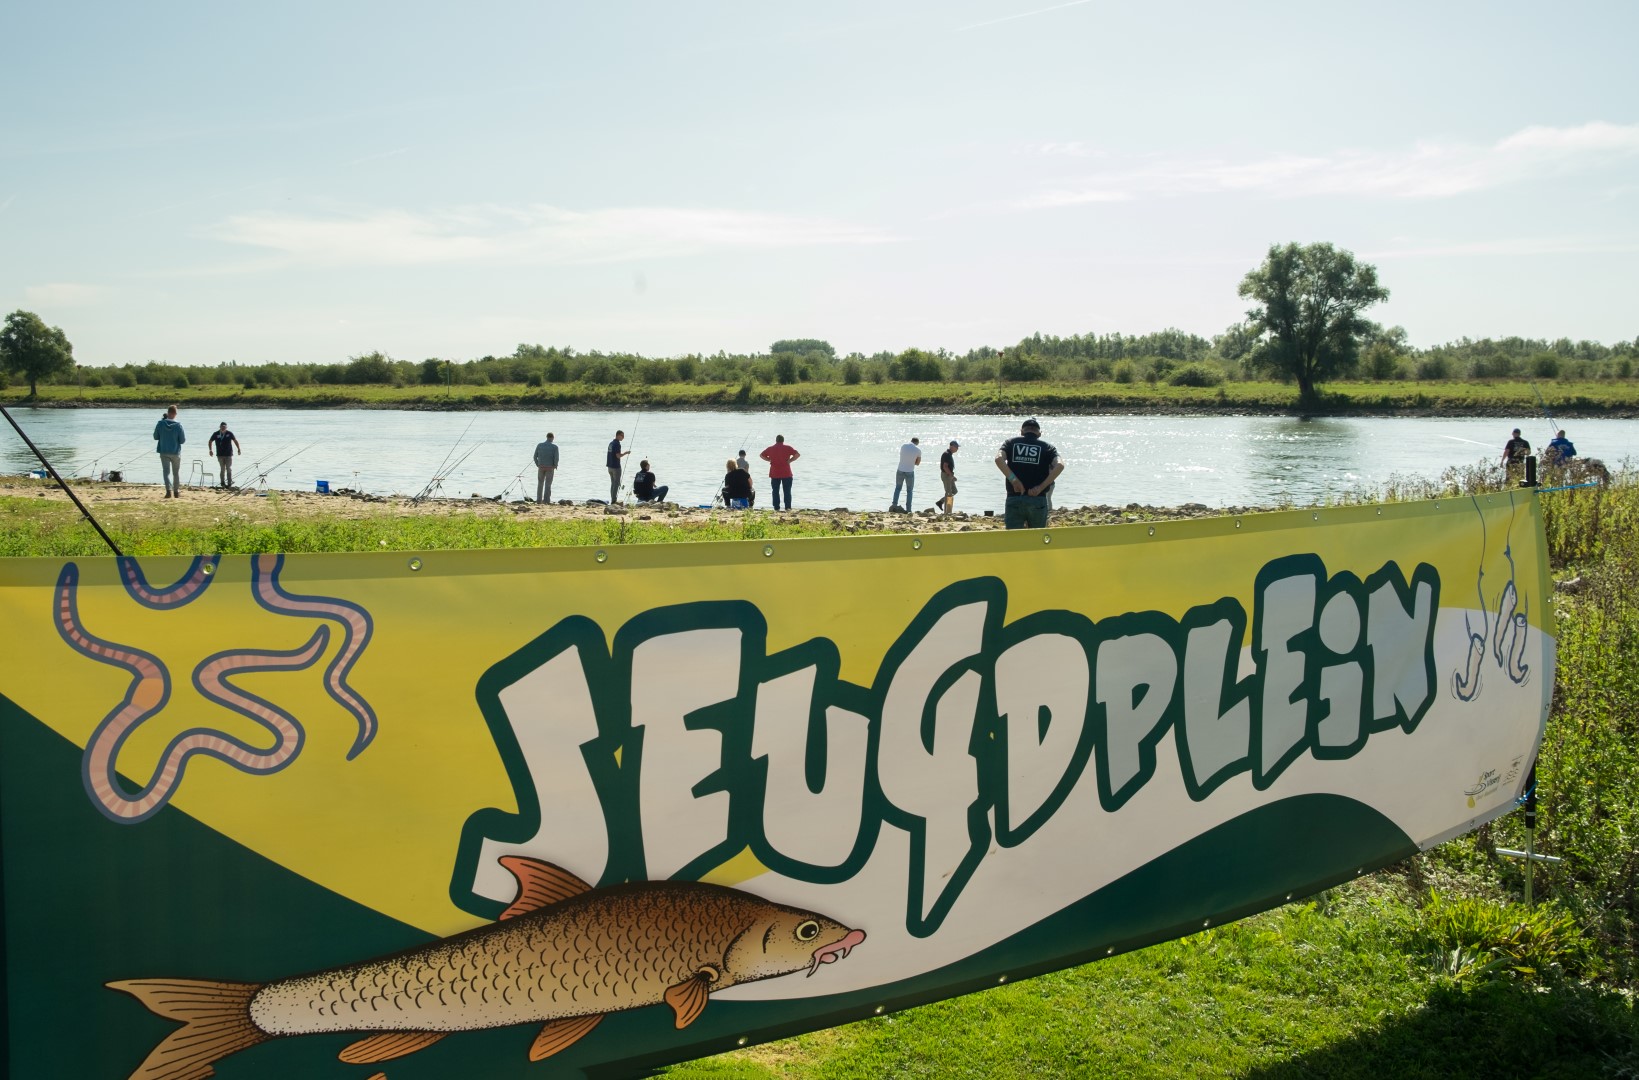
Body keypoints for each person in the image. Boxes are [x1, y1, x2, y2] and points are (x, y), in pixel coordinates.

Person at [995, 418, 1064, 529]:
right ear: (1039, 434)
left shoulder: (1010, 443)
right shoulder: (1047, 447)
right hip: (1037, 498)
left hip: (1015, 496)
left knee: (1013, 536)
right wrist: (1041, 487)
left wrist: (1014, 480)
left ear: (1022, 432)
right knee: (1037, 536)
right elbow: (1060, 465)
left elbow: (998, 459)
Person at [760, 434, 800, 510]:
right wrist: (790, 460)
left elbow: (761, 455)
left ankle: (776, 507)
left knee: (775, 491)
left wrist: (769, 460)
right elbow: (797, 454)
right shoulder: (788, 448)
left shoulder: (770, 448)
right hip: (786, 472)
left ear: (776, 440)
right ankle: (787, 507)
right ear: (783, 440)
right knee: (787, 491)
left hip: (774, 472)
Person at [154, 405, 185, 498]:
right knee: (176, 473)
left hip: (164, 451)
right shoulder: (179, 425)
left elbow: (155, 437)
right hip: (175, 452)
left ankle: (168, 491)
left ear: (168, 413)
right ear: (175, 414)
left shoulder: (160, 424)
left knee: (166, 472)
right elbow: (182, 440)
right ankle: (176, 492)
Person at [207, 421, 241, 489]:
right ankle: (222, 483)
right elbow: (210, 441)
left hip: (228, 454)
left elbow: (235, 440)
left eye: (224, 427)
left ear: (226, 427)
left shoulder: (229, 433)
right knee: (222, 469)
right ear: (220, 427)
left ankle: (229, 483)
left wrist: (238, 449)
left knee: (229, 468)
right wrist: (210, 450)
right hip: (220, 454)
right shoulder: (216, 434)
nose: (223, 428)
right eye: (222, 427)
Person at [891, 437, 921, 512]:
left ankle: (894, 505)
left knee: (898, 488)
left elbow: (902, 456)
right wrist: (912, 461)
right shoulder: (918, 450)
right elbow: (918, 463)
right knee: (909, 491)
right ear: (917, 443)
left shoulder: (903, 446)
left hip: (900, 470)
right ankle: (908, 509)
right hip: (910, 471)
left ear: (911, 441)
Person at [533, 432, 559, 503]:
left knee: (540, 483)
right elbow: (556, 458)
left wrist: (538, 464)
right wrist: (555, 465)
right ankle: (546, 500)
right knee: (548, 484)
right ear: (552, 438)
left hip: (541, 467)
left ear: (546, 437)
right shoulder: (555, 447)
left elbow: (535, 457)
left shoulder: (539, 445)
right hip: (550, 468)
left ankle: (539, 500)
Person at [936, 440, 960, 515]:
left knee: (954, 491)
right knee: (949, 493)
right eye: (956, 447)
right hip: (946, 475)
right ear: (951, 446)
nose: (957, 449)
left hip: (949, 475)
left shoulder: (949, 454)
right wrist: (951, 475)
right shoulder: (946, 454)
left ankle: (941, 502)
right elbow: (945, 467)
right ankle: (947, 512)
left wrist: (952, 476)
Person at [606, 429, 631, 503]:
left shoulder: (611, 443)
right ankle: (614, 500)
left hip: (609, 467)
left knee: (613, 484)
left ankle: (612, 499)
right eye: (622, 435)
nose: (623, 437)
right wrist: (626, 453)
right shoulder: (617, 444)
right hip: (615, 467)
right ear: (618, 435)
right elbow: (618, 456)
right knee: (616, 484)